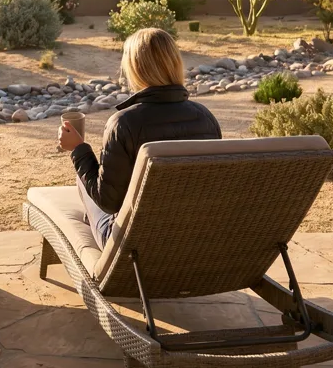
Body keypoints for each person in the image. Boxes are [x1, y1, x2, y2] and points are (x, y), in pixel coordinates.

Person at [57, 28, 221, 246]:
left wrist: (78, 148)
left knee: (83, 177)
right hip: (193, 236)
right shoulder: (206, 119)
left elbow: (108, 201)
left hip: (134, 245)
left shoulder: (124, 123)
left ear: (135, 68)